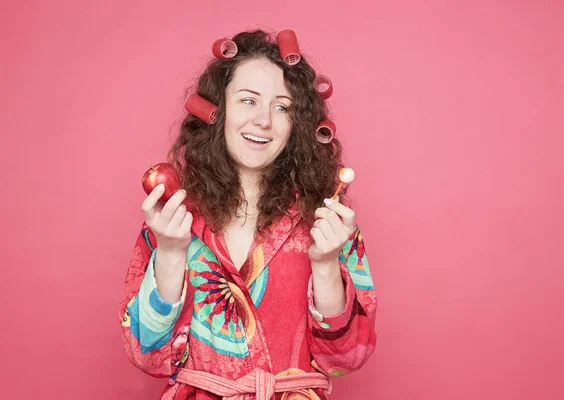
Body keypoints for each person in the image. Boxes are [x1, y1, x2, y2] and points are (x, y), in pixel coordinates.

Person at [119, 29, 377, 400]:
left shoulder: (328, 220)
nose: (264, 121)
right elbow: (147, 356)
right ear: (218, 111)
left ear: (297, 124)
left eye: (281, 107)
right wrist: (172, 254)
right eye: (248, 101)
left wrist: (325, 265)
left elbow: (347, 358)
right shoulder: (173, 218)